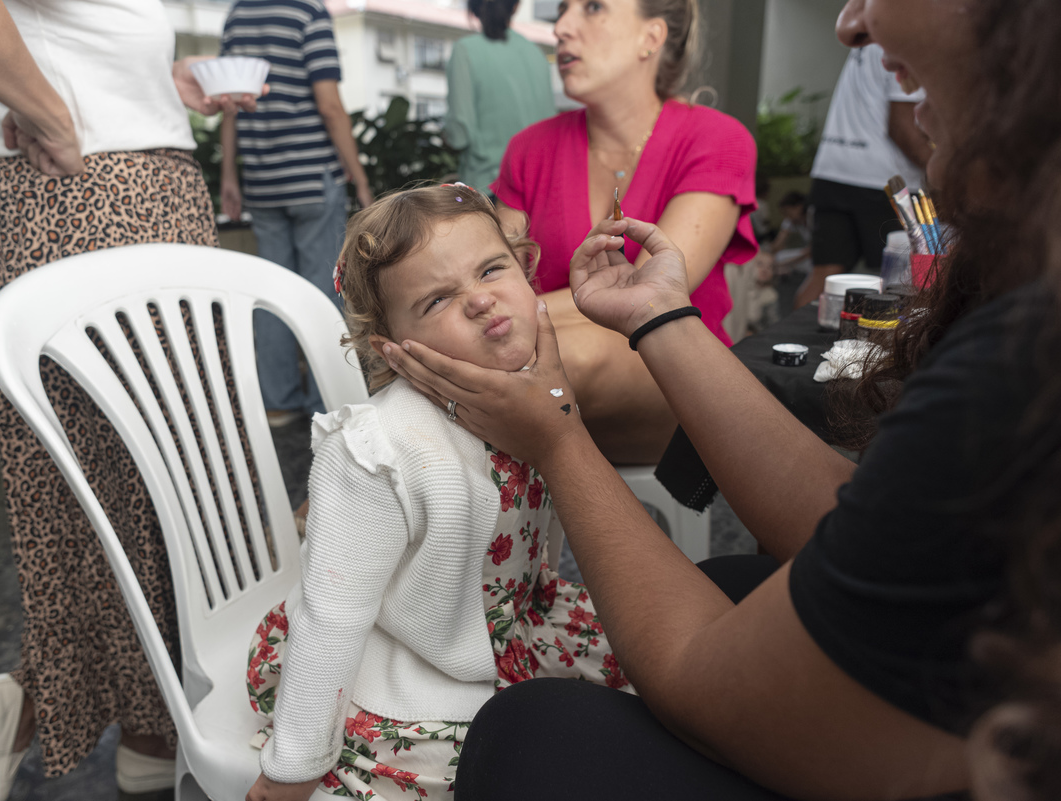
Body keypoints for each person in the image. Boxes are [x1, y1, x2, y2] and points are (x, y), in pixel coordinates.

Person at [378, 0, 1061, 797]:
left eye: (590, 7)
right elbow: (850, 514)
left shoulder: (1020, 361)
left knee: (527, 729)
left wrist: (558, 437)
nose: (851, 22)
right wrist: (656, 314)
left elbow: (703, 680)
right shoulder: (1018, 332)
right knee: (736, 576)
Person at [0, 0, 257, 798]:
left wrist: (154, 83)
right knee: (161, 489)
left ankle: (144, 729)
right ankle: (47, 701)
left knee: (133, 492)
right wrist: (44, 106)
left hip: (104, 192)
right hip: (95, 196)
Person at [242, 184, 634, 801]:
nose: (479, 300)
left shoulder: (539, 391)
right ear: (393, 350)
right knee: (490, 770)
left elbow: (546, 538)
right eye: (436, 300)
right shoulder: (380, 450)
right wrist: (291, 770)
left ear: (527, 268)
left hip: (515, 625)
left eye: (492, 269)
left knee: (649, 682)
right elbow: (332, 619)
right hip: (406, 658)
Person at [492, 0, 758, 464]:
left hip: (676, 376)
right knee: (525, 360)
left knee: (567, 356)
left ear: (650, 37)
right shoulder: (528, 148)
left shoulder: (718, 139)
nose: (561, 27)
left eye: (593, 7)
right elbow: (492, 282)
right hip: (527, 364)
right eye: (562, 9)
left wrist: (485, 322)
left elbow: (645, 298)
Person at [219, 0, 373, 429]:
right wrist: (360, 178)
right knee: (324, 289)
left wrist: (229, 174)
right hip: (311, 178)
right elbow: (330, 106)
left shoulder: (238, 15)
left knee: (271, 293)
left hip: (262, 182)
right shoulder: (308, 13)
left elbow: (228, 103)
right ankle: (328, 399)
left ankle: (278, 401)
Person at [794, 42, 932, 308]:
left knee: (825, 275)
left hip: (834, 169)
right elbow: (902, 129)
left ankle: (793, 336)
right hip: (884, 178)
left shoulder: (871, 39)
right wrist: (949, 174)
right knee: (905, 282)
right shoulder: (907, 36)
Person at [443, 0, 555, 194]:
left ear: (473, 7)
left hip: (489, 189)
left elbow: (459, 135)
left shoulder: (465, 50)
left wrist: (446, 137)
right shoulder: (536, 53)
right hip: (539, 188)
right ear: (516, 6)